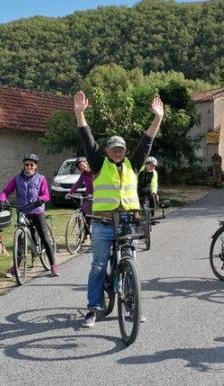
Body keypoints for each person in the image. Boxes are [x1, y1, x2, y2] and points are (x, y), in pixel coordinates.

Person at [74, 90, 163, 328]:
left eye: (121, 148)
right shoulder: (99, 163)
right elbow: (86, 137)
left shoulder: (133, 165)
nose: (117, 151)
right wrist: (79, 113)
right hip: (103, 223)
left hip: (127, 222)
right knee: (98, 266)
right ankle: (93, 308)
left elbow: (147, 141)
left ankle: (133, 306)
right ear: (107, 151)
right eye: (114, 148)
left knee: (130, 263)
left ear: (125, 151)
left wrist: (158, 118)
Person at [0, 154, 59, 277]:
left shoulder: (41, 178)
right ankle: (16, 268)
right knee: (20, 240)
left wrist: (41, 199)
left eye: (32, 164)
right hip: (22, 211)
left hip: (37, 211)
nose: (29, 167)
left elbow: (46, 195)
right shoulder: (17, 178)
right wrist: (2, 199)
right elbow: (6, 191)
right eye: (27, 164)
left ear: (36, 166)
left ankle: (53, 266)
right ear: (24, 166)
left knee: (45, 239)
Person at [66, 156, 93, 233]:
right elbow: (77, 184)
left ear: (87, 163)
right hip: (88, 196)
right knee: (82, 212)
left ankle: (91, 232)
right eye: (80, 166)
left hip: (97, 196)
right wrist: (70, 193)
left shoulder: (94, 172)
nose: (82, 167)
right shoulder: (83, 174)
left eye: (82, 164)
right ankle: (83, 233)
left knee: (93, 215)